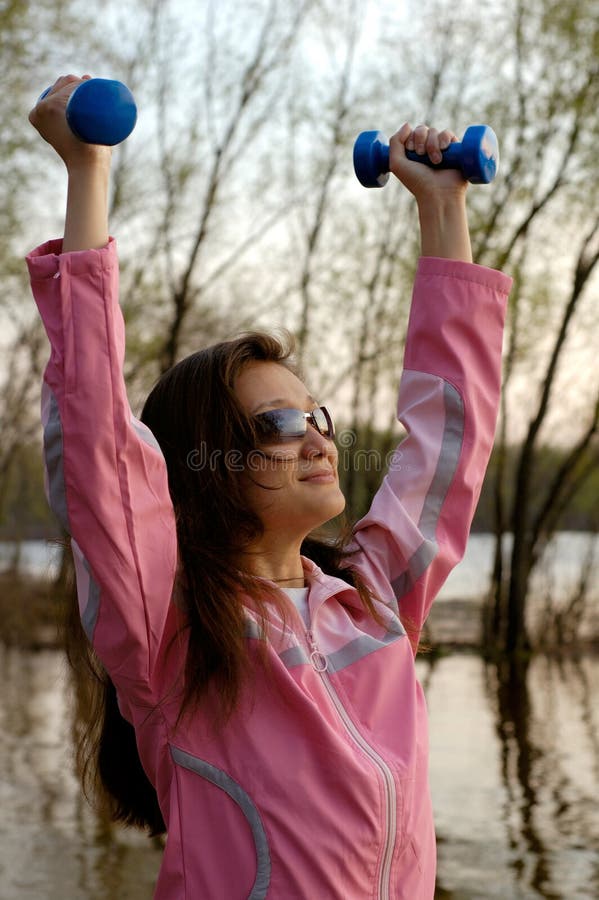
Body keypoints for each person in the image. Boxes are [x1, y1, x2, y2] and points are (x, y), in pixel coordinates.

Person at [27, 74, 512, 899]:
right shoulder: (170, 632)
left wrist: (441, 207)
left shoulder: (372, 601)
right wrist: (89, 172)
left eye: (313, 415)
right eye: (275, 427)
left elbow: (448, 444)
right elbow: (100, 454)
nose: (317, 439)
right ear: (203, 473)